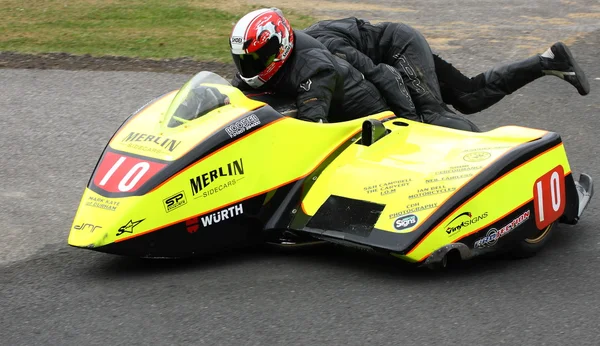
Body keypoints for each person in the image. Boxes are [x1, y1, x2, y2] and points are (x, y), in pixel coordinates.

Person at [228, 7, 478, 130]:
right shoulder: (279, 60)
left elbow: (312, 130)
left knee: (436, 118)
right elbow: (233, 94)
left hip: (372, 114)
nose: (250, 67)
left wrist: (410, 125)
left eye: (257, 58)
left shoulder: (314, 70)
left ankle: (482, 150)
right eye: (245, 60)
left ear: (280, 45)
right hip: (357, 99)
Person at [303, 17, 590, 118]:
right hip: (397, 43)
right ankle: (548, 61)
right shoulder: (304, 52)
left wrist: (409, 119)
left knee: (432, 117)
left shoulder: (325, 47)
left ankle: (489, 167)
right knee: (469, 96)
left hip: (398, 48)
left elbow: (381, 76)